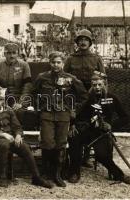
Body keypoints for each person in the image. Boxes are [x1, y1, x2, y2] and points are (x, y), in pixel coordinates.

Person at [0, 85, 53, 189]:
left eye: (0, 100)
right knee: (4, 144)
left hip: (10, 140)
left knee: (24, 146)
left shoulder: (8, 110)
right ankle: (2, 176)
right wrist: (2, 134)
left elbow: (17, 126)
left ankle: (36, 177)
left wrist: (18, 135)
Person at [67, 71, 130, 185]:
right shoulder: (86, 98)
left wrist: (112, 125)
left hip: (101, 133)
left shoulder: (112, 98)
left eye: (99, 84)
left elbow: (125, 118)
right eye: (94, 85)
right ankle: (74, 172)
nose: (97, 87)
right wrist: (73, 125)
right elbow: (76, 114)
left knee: (102, 155)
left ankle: (119, 175)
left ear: (105, 84)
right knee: (74, 140)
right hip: (87, 130)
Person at [34, 52, 88, 187]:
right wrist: (39, 106)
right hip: (46, 115)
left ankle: (57, 174)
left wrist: (73, 109)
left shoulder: (71, 78)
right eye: (53, 62)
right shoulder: (42, 77)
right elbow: (33, 92)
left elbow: (84, 96)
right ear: (49, 62)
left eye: (58, 62)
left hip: (63, 116)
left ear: (63, 63)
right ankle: (46, 173)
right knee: (47, 142)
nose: (56, 65)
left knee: (61, 144)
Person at [64, 28, 106, 168]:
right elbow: (64, 78)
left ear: (90, 42)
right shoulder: (70, 58)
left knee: (90, 124)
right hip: (75, 97)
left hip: (92, 97)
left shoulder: (96, 58)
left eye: (85, 40)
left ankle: (86, 156)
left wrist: (101, 97)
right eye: (80, 40)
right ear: (77, 42)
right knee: (73, 124)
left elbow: (103, 78)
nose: (83, 42)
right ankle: (73, 155)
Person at [0, 43, 32, 109]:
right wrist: (1, 102)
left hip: (19, 98)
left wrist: (21, 103)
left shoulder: (24, 65)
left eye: (14, 53)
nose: (12, 56)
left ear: (18, 54)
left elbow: (27, 85)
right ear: (4, 54)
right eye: (9, 53)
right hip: (3, 98)